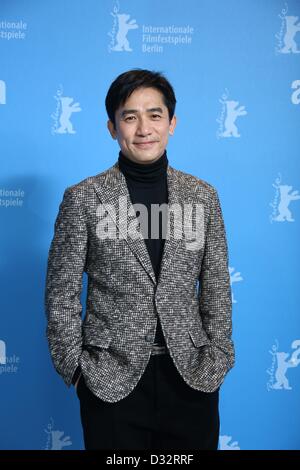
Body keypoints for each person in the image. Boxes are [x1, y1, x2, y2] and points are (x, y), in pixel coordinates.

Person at [45, 68, 235, 450]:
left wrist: (219, 356)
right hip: (110, 380)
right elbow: (60, 293)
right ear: (113, 128)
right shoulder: (83, 198)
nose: (144, 128)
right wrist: (77, 369)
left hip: (192, 376)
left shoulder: (203, 196)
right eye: (130, 117)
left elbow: (216, 286)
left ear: (172, 123)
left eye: (155, 115)